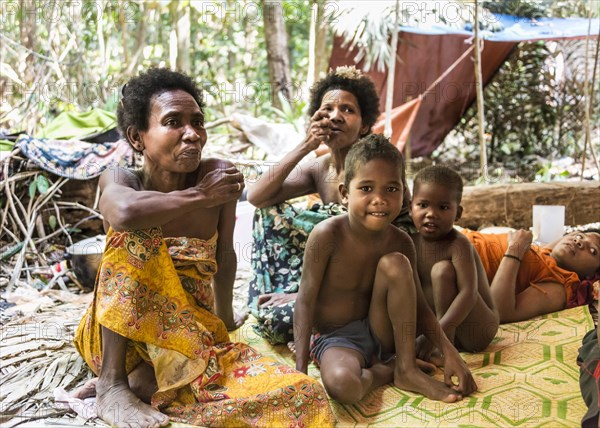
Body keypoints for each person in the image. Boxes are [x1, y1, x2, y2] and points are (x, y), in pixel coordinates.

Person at [73, 68, 334, 428]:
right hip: (122, 334)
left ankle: (145, 384)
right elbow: (124, 213)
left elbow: (224, 255)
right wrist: (199, 196)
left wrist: (224, 320)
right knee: (136, 234)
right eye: (173, 122)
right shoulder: (121, 178)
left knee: (304, 398)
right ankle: (112, 383)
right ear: (138, 137)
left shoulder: (217, 175)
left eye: (198, 121)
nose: (192, 134)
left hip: (188, 337)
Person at [294, 135, 477, 404]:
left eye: (391, 189)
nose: (379, 199)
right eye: (366, 188)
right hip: (337, 338)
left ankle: (406, 368)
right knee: (343, 386)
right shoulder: (326, 236)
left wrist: (450, 352)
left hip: (384, 333)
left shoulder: (401, 240)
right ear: (345, 193)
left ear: (404, 193)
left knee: (396, 263)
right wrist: (299, 371)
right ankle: (387, 371)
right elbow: (305, 301)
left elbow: (421, 307)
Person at [246, 66, 414, 345]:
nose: (335, 116)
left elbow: (386, 244)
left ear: (363, 124)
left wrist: (305, 296)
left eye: (347, 110)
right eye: (328, 110)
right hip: (328, 269)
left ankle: (312, 308)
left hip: (372, 281)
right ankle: (284, 292)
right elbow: (256, 197)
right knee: (269, 211)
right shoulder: (321, 167)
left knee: (278, 322)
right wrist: (307, 143)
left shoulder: (379, 164)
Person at [410, 166, 499, 352]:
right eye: (423, 205)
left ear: (458, 213)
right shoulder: (409, 241)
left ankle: (443, 347)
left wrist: (436, 336)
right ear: (411, 207)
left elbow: (468, 294)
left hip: (477, 330)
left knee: (442, 271)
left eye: (443, 207)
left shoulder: (458, 244)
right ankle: (441, 343)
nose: (431, 214)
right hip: (444, 326)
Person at [463, 228, 600, 322]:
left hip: (457, 264)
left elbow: (501, 311)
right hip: (458, 239)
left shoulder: (559, 287)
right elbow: (561, 243)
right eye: (579, 236)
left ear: (592, 275)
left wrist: (515, 250)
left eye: (593, 251)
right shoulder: (546, 253)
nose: (580, 242)